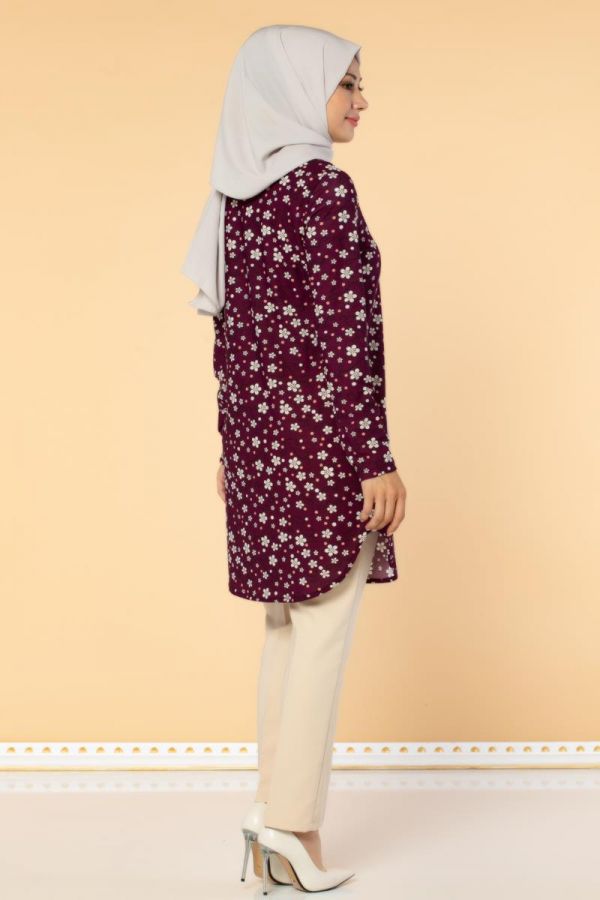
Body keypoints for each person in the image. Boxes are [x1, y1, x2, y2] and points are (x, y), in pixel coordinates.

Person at [181, 24, 407, 894]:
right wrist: (374, 459)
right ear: (293, 90)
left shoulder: (237, 200)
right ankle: (293, 826)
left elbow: (230, 346)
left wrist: (233, 451)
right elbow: (348, 342)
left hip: (263, 450)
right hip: (324, 449)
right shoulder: (322, 191)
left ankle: (269, 816)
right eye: (346, 83)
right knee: (320, 634)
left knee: (287, 627)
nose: (361, 100)